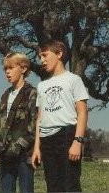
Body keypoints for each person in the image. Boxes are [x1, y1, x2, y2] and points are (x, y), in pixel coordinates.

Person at [31, 40, 89, 192]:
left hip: (66, 136)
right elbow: (39, 118)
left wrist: (77, 141)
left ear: (59, 54)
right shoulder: (42, 85)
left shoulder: (73, 80)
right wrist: (37, 147)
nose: (41, 60)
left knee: (70, 185)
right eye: (39, 57)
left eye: (44, 55)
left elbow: (82, 112)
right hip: (46, 139)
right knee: (53, 186)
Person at [0, 52, 37, 193]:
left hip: (24, 154)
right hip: (5, 153)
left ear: (23, 69)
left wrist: (18, 146)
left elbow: (34, 126)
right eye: (5, 69)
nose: (7, 72)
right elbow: (0, 125)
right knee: (6, 189)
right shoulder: (5, 94)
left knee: (26, 189)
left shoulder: (31, 93)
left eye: (11, 68)